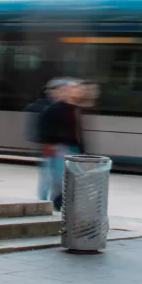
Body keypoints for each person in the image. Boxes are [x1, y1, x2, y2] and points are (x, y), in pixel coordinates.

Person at [38, 78, 85, 211]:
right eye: (73, 89)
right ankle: (49, 203)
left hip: (70, 147)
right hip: (58, 147)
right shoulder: (54, 108)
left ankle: (56, 203)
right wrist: (49, 145)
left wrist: (81, 149)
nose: (77, 92)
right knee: (56, 178)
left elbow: (77, 131)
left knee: (62, 178)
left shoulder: (74, 108)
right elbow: (46, 129)